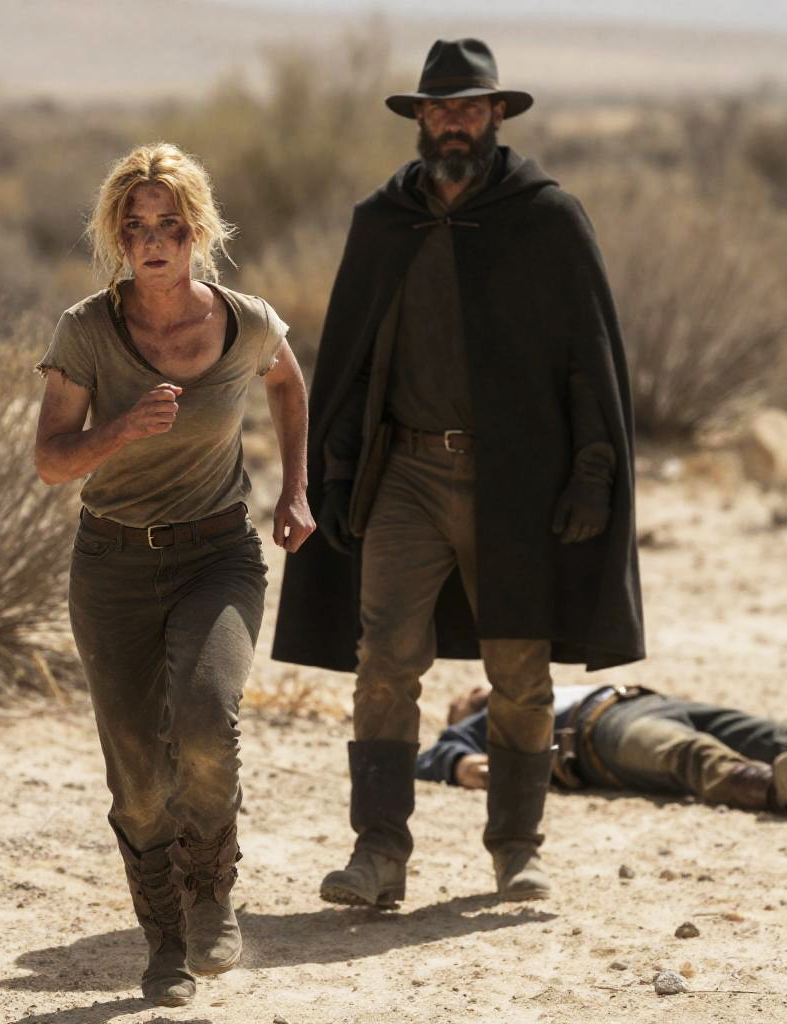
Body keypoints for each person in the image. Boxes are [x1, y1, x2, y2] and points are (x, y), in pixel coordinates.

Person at [272, 37, 645, 907]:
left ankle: (516, 849)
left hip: (514, 482)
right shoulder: (384, 221)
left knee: (520, 669)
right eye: (439, 108)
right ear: (420, 118)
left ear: (497, 115)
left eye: (469, 108)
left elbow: (589, 359)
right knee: (384, 661)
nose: (453, 123)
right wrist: (338, 475)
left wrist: (592, 473)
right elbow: (351, 363)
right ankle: (378, 853)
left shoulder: (546, 219)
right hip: (402, 471)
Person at [33, 143, 314, 1008]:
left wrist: (295, 490)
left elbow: (289, 387)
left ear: (199, 232)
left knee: (205, 720)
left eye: (171, 225)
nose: (153, 241)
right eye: (136, 226)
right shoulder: (86, 330)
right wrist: (121, 429)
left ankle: (211, 888)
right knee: (137, 777)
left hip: (217, 555)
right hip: (112, 565)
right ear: (116, 236)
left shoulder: (246, 321)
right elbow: (50, 460)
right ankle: (162, 943)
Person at [418, 684, 787, 815]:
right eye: (459, 704)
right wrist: (459, 763)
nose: (471, 693)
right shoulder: (487, 723)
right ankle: (777, 789)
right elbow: (430, 758)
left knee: (770, 734)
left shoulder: (526, 684)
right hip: (597, 732)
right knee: (687, 753)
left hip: (643, 701)